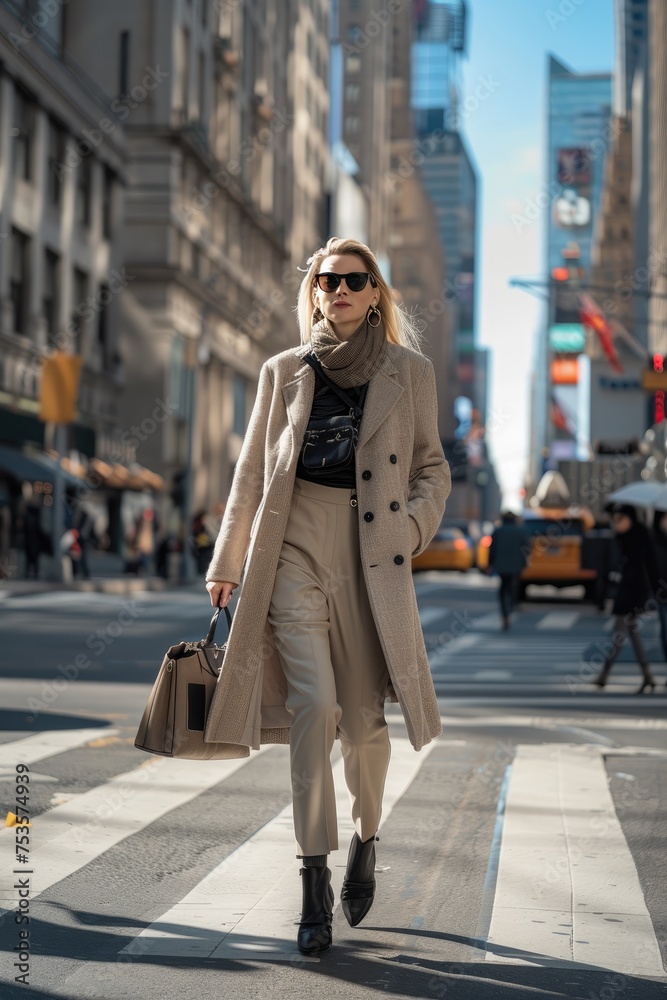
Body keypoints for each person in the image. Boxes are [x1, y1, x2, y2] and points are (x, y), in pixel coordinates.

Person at [204, 237, 451, 955]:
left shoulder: (412, 372)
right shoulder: (282, 371)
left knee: (366, 726)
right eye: (325, 280)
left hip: (372, 553)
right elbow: (251, 472)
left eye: (353, 280)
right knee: (314, 707)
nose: (337, 290)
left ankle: (366, 836)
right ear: (312, 291)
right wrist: (228, 558)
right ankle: (313, 882)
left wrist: (411, 523)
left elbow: (432, 467)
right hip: (293, 547)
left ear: (375, 294)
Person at [593, 504, 659, 694]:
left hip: (634, 593)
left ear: (630, 518)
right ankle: (647, 676)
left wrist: (656, 591)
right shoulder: (622, 538)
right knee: (629, 635)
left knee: (620, 634)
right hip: (627, 593)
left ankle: (605, 675)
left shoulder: (640, 537)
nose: (617, 522)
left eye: (620, 519)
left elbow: (651, 565)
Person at [488, 511, 530, 630]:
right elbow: (527, 548)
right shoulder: (521, 531)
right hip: (516, 565)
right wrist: (524, 562)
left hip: (501, 565)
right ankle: (510, 607)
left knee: (503, 588)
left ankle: (505, 612)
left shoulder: (498, 531)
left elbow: (492, 550)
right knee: (513, 586)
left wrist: (489, 564)